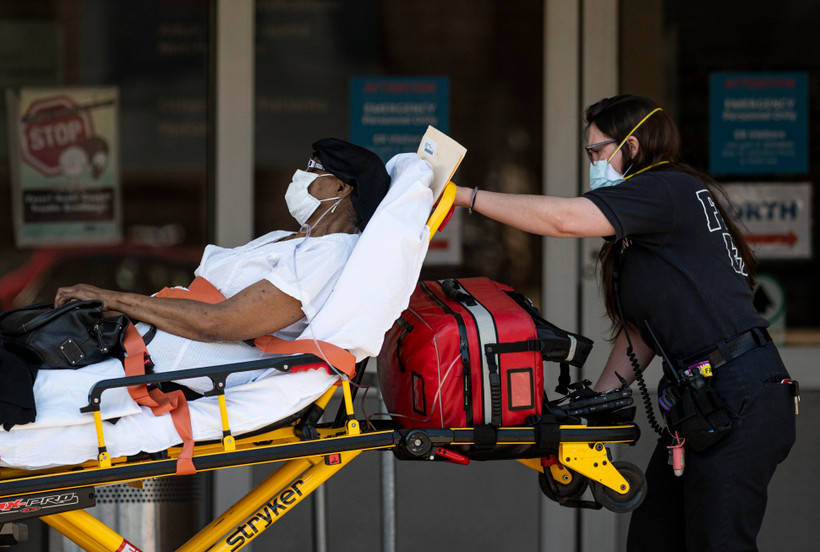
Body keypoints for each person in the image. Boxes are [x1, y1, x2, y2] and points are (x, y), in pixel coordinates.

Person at [452, 95, 796, 552]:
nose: (593, 163)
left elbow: (563, 219)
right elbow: (641, 332)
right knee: (653, 539)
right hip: (702, 400)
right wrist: (597, 398)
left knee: (720, 542)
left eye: (597, 152)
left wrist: (462, 196)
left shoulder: (665, 188)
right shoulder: (652, 214)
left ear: (631, 146)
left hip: (739, 394)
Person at [53, 137, 390, 394]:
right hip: (146, 346)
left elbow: (220, 322)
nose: (299, 176)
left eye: (313, 168)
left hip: (172, 368)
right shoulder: (291, 239)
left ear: (342, 187)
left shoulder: (327, 255)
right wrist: (124, 310)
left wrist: (114, 299)